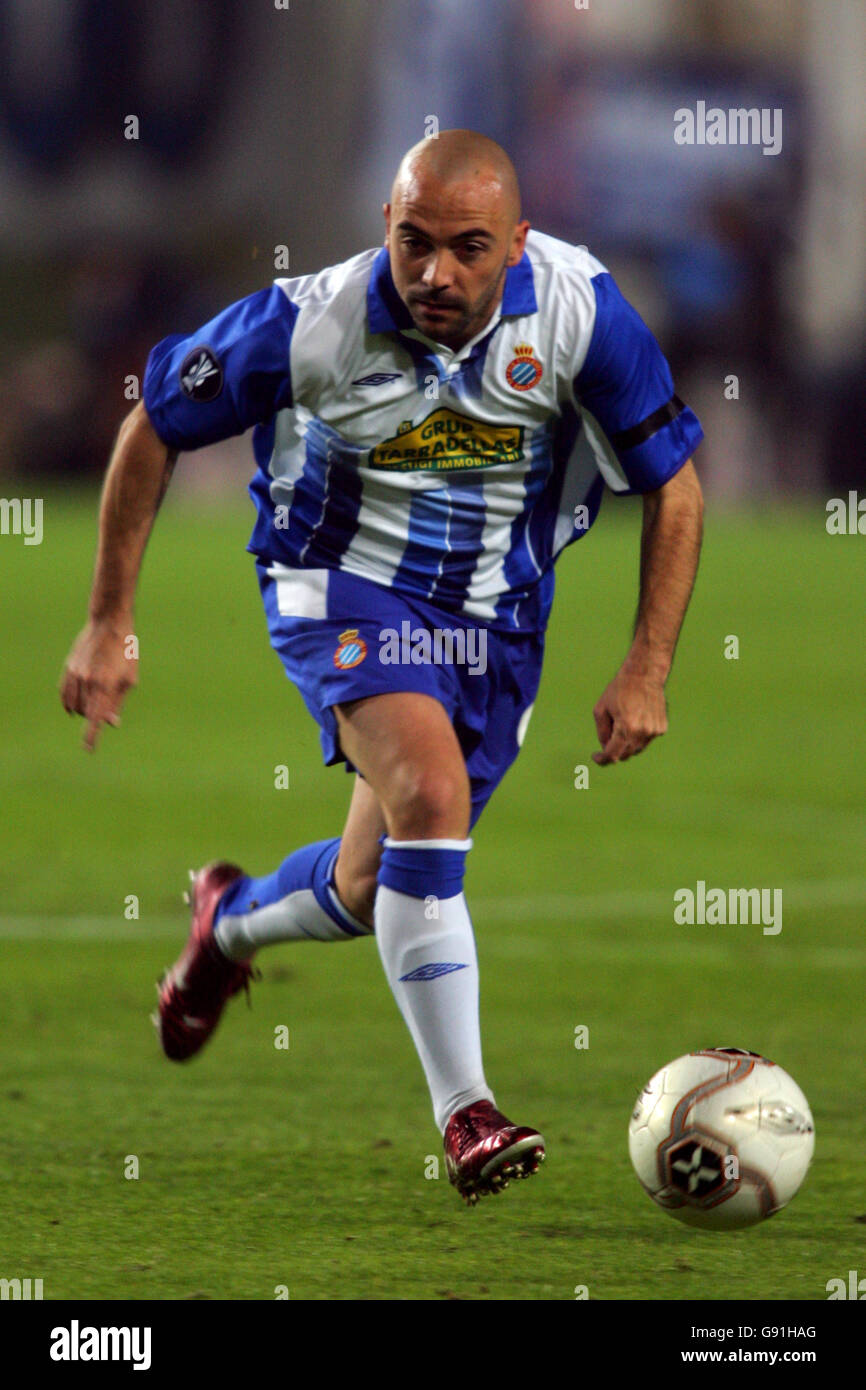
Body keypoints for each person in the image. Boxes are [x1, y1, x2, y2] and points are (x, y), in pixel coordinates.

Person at [60, 130, 704, 1205]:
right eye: (412, 243)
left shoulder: (582, 311)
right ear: (385, 230)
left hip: (495, 623)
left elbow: (671, 486)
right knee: (429, 792)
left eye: (465, 248)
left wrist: (647, 664)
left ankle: (224, 928)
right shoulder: (308, 323)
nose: (434, 273)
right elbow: (155, 422)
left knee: (372, 887)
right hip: (335, 583)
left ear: (516, 244)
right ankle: (466, 1114)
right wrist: (107, 619)